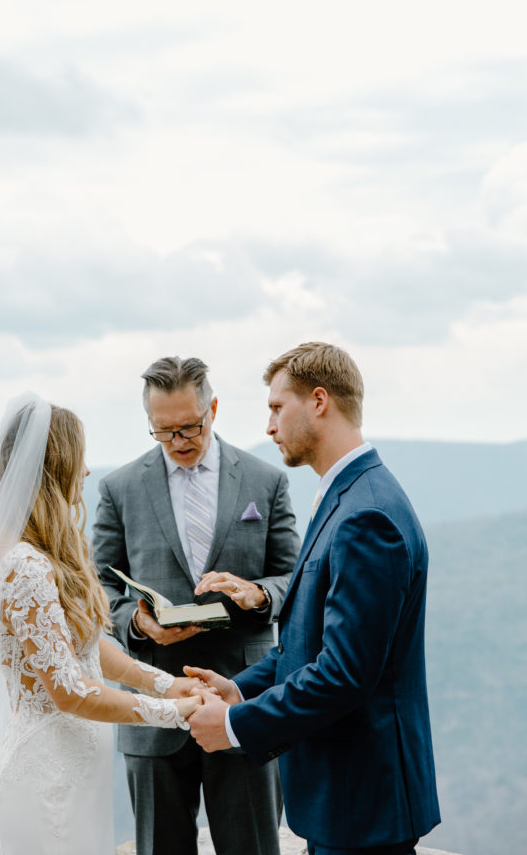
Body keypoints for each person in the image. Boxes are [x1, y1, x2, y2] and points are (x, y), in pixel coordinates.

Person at [0, 394, 202, 855]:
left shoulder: (41, 554)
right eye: (78, 458)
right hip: (47, 778)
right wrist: (170, 716)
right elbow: (67, 688)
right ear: (56, 466)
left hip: (74, 771)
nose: (86, 471)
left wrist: (167, 685)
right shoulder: (23, 567)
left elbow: (87, 649)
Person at [187, 342, 441, 855]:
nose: (269, 426)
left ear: (319, 401)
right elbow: (304, 643)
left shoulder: (368, 516)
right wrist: (240, 689)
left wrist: (236, 726)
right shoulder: (347, 496)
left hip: (364, 804)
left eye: (277, 407)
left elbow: (344, 674)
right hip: (343, 803)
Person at [92, 356, 300, 855]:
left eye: (191, 426)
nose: (180, 441)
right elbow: (98, 587)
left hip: (242, 701)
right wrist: (138, 625)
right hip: (152, 702)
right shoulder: (118, 488)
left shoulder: (264, 481)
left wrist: (258, 594)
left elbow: (295, 577)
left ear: (214, 409)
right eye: (164, 432)